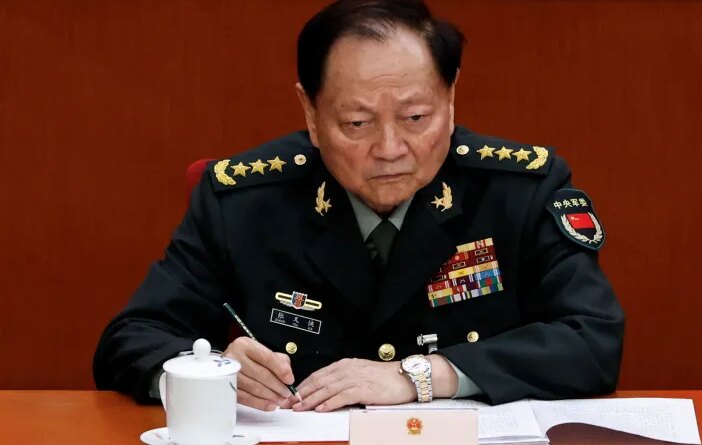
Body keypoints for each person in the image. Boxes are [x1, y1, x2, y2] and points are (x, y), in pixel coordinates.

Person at [94, 0, 624, 412]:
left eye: (415, 118)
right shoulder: (245, 202)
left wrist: (423, 375)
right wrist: (208, 371)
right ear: (310, 112)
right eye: (357, 123)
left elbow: (592, 339)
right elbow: (131, 340)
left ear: (450, 97)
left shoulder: (519, 191)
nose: (390, 149)